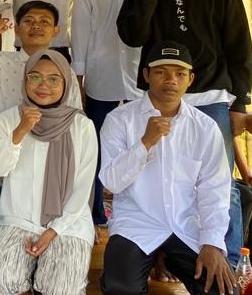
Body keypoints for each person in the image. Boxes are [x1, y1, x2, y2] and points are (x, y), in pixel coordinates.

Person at [117, 0, 252, 264]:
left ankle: (228, 261)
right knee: (157, 177)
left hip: (210, 97)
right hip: (158, 101)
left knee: (221, 183)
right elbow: (132, 36)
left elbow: (239, 46)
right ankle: (162, 258)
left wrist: (240, 102)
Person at [99, 41, 235, 295]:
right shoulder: (120, 120)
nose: (171, 80)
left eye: (180, 73)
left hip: (186, 227)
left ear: (190, 79)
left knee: (223, 290)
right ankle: (139, 262)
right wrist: (144, 143)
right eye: (161, 72)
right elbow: (111, 182)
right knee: (121, 288)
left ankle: (166, 258)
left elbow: (215, 189)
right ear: (146, 75)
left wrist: (212, 242)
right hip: (136, 226)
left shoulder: (205, 127)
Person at [71, 0, 158, 225]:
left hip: (143, 76)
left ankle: (144, 214)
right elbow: (81, 30)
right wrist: (79, 78)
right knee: (96, 146)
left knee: (146, 145)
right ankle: (95, 214)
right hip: (102, 76)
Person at [0, 50, 97, 295]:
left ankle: (46, 272)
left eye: (53, 79)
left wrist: (54, 231)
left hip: (68, 223)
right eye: (35, 77)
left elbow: (83, 186)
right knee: (3, 282)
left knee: (60, 290)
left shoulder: (82, 126)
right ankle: (34, 269)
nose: (43, 85)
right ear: (25, 80)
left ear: (66, 84)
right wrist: (20, 131)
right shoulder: (8, 120)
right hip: (19, 218)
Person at [0, 0, 82, 134]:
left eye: (44, 21)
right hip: (1, 143)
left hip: (52, 144)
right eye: (28, 21)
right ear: (16, 29)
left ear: (56, 31)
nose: (36, 26)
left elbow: (76, 119)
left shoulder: (65, 72)